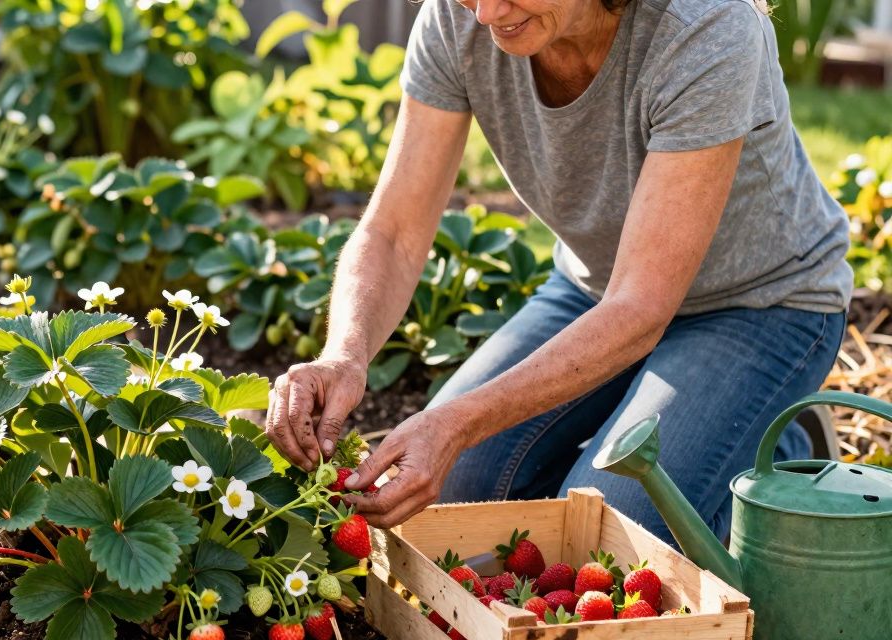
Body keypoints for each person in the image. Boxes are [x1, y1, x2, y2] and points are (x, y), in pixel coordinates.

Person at [265, 0, 851, 545]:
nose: (487, 14)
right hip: (596, 291)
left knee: (609, 533)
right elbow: (393, 231)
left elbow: (641, 308)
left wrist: (458, 422)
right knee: (452, 497)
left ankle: (780, 460)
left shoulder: (706, 27)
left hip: (759, 306)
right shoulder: (455, 16)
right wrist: (344, 354)